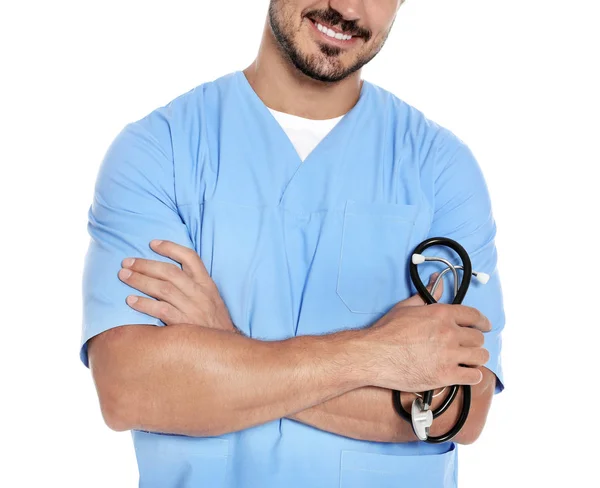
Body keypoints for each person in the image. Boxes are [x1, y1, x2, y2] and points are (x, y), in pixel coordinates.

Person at [80, 1, 505, 486]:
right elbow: (129, 389)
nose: (347, 8)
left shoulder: (441, 169)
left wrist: (225, 350)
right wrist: (379, 354)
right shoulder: (161, 151)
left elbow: (463, 411)